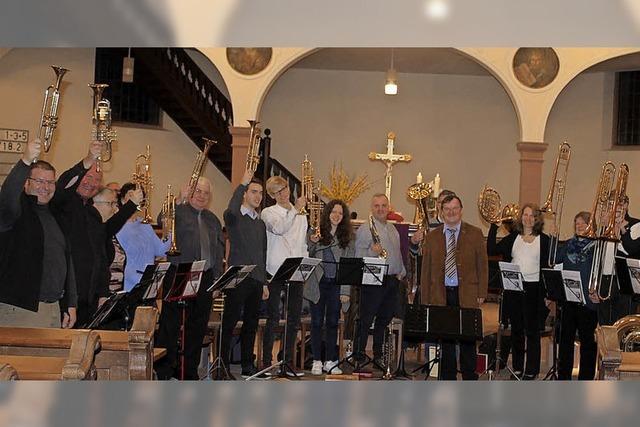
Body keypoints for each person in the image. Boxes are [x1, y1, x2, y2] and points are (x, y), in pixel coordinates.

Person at [0, 138, 77, 328]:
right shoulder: (17, 211)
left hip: (53, 308)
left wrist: (70, 303)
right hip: (21, 309)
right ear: (25, 183)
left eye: (51, 182)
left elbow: (66, 261)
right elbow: (7, 197)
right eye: (39, 181)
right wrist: (25, 162)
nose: (46, 186)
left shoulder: (55, 216)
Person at [154, 176, 224, 380]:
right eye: (198, 191)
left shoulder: (213, 219)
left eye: (206, 193)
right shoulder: (178, 210)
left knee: (197, 326)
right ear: (190, 191)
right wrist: (177, 199)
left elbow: (218, 251)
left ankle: (189, 371)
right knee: (171, 324)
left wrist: (217, 278)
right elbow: (161, 220)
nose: (202, 196)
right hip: (180, 272)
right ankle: (165, 370)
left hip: (206, 275)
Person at [420, 194, 488, 380]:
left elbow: (482, 265)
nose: (451, 213)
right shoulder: (432, 237)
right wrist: (425, 299)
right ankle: (448, 376)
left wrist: (482, 291)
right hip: (440, 294)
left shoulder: (474, 234)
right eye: (447, 209)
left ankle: (469, 375)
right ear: (442, 212)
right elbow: (425, 270)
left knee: (468, 338)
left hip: (467, 293)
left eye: (455, 209)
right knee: (446, 338)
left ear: (461, 210)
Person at [354, 193, 419, 369]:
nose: (381, 209)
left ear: (388, 207)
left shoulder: (392, 229)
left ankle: (378, 355)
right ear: (371, 208)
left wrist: (402, 271)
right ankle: (358, 355)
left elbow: (397, 253)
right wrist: (372, 253)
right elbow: (357, 257)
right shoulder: (365, 229)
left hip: (392, 280)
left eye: (384, 205)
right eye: (377, 206)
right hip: (374, 280)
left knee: (384, 319)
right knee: (367, 319)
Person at [487, 203, 550, 380]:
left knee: (532, 332)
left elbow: (548, 268)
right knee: (517, 331)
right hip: (514, 288)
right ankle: (518, 367)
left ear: (537, 219)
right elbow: (491, 250)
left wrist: (547, 295)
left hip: (534, 290)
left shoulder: (544, 240)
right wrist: (493, 227)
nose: (528, 218)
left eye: (532, 216)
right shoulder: (513, 237)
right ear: (520, 217)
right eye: (525, 215)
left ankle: (532, 369)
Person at [55, 140, 111, 326]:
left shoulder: (93, 214)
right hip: (66, 298)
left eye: (97, 180)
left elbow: (101, 257)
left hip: (90, 299)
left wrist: (103, 293)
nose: (91, 183)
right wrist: (87, 160)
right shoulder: (63, 204)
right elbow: (62, 185)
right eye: (87, 177)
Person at [221, 169, 268, 378]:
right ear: (245, 194)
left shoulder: (260, 223)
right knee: (229, 323)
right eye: (253, 191)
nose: (257, 196)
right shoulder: (235, 217)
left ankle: (248, 364)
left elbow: (262, 254)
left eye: (260, 193)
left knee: (251, 324)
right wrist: (241, 183)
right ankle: (222, 365)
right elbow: (228, 212)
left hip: (257, 279)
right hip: (237, 276)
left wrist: (265, 282)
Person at [260, 176, 308, 376]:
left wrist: (305, 261)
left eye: (285, 188)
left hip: (295, 269)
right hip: (275, 270)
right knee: (273, 318)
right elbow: (279, 228)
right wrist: (295, 210)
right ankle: (265, 362)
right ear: (272, 195)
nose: (283, 193)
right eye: (278, 191)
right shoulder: (268, 213)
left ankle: (286, 361)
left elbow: (300, 242)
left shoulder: (301, 214)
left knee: (294, 319)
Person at [307, 199, 355, 375]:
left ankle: (330, 360)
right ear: (327, 213)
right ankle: (316, 360)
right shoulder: (316, 231)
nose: (336, 215)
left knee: (333, 322)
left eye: (340, 213)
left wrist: (345, 291)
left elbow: (349, 266)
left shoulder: (348, 238)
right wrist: (313, 242)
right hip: (318, 282)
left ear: (344, 217)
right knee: (317, 322)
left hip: (336, 283)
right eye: (333, 212)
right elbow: (308, 253)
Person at [555, 211, 599, 380]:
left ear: (591, 226)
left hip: (587, 301)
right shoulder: (568, 244)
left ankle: (585, 378)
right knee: (565, 341)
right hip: (569, 299)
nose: (579, 226)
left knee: (587, 342)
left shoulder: (596, 246)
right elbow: (555, 258)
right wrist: (555, 238)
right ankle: (563, 376)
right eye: (577, 223)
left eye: (583, 223)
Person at [116, 182, 171, 292]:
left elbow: (160, 251)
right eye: (131, 195)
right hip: (130, 284)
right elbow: (121, 260)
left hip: (148, 282)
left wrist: (168, 230)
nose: (136, 199)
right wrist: (141, 281)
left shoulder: (145, 225)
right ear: (122, 200)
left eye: (139, 196)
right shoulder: (117, 226)